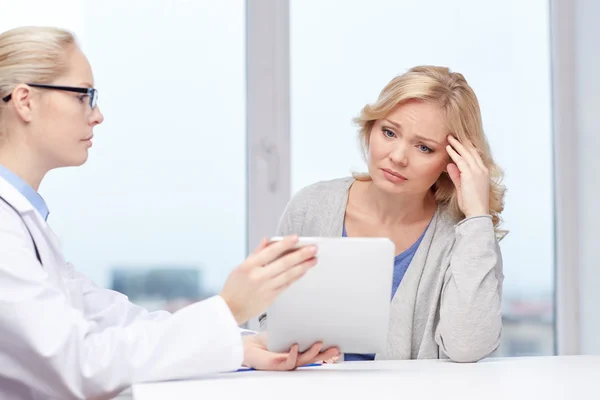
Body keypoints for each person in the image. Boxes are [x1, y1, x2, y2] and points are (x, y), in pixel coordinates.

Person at [0, 26, 339, 400]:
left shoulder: (24, 222)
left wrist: (245, 344)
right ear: (25, 101)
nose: (97, 116)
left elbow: (115, 319)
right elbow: (79, 365)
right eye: (85, 96)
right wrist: (230, 306)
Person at [260, 65, 506, 363]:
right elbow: (269, 321)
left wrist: (477, 215)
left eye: (424, 148)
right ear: (371, 128)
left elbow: (468, 347)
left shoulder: (467, 235)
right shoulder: (311, 207)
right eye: (389, 132)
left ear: (453, 162)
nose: (398, 157)